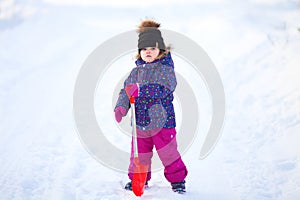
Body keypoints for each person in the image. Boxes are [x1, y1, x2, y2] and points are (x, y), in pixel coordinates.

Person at [114, 19, 188, 193]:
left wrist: (141, 89)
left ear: (160, 51)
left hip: (163, 123)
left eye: (152, 49)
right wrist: (121, 107)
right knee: (139, 155)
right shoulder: (135, 72)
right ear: (139, 52)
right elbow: (126, 91)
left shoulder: (166, 70)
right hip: (140, 124)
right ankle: (138, 180)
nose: (148, 52)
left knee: (169, 154)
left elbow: (164, 89)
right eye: (144, 49)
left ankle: (178, 180)